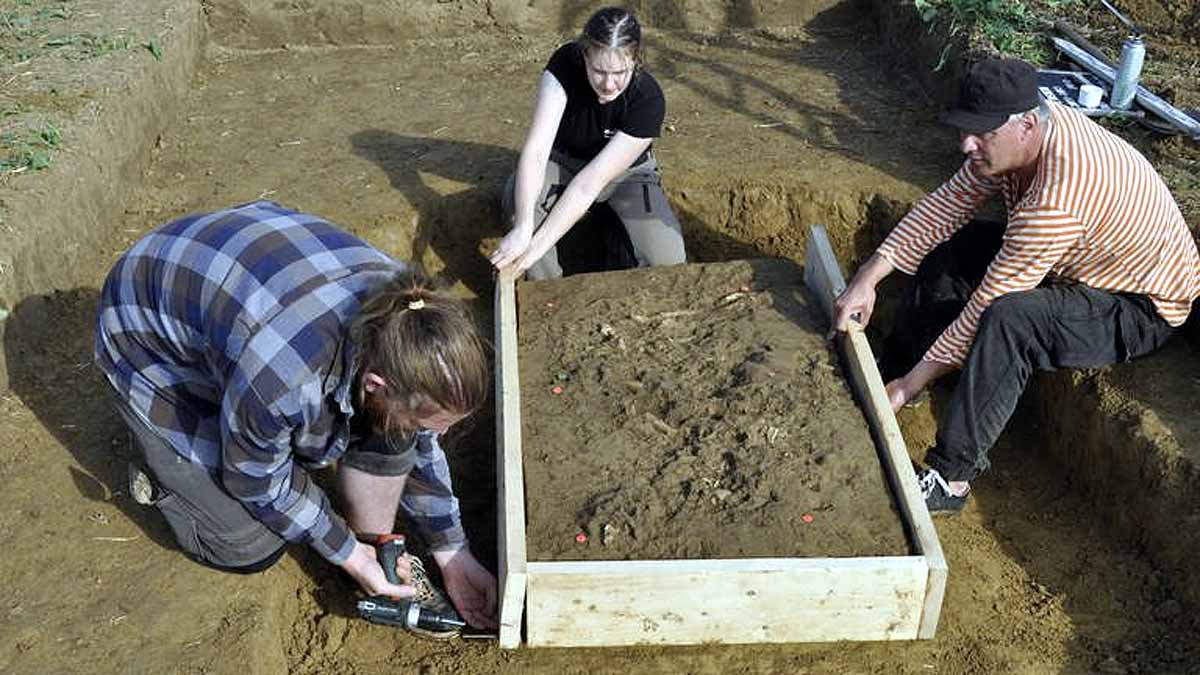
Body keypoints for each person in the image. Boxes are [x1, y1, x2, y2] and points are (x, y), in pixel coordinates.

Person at [94, 200, 498, 633]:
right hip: (145, 340)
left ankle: (373, 544)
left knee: (391, 427)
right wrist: (344, 551)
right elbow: (254, 479)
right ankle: (161, 466)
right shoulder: (284, 380)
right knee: (248, 545)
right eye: (431, 423)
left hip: (242, 273)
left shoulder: (412, 321)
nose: (437, 436)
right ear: (377, 383)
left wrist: (453, 552)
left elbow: (416, 442)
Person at [833, 58, 1200, 514]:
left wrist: (912, 386)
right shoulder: (1013, 137)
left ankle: (951, 478)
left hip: (1138, 303)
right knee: (957, 246)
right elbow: (945, 207)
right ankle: (890, 372)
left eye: (979, 134)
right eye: (964, 129)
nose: (965, 144)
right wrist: (868, 278)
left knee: (1011, 320)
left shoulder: (1058, 196)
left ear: (1027, 125)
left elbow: (989, 301)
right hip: (1076, 264)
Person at [488, 6, 686, 278]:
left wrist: (533, 248)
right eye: (599, 71)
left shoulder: (648, 100)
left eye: (620, 73)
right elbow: (536, 152)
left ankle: (618, 252)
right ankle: (546, 293)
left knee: (667, 260)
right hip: (564, 164)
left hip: (627, 176)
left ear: (636, 60)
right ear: (585, 56)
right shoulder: (564, 66)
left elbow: (590, 183)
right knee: (520, 202)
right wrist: (523, 230)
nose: (608, 84)